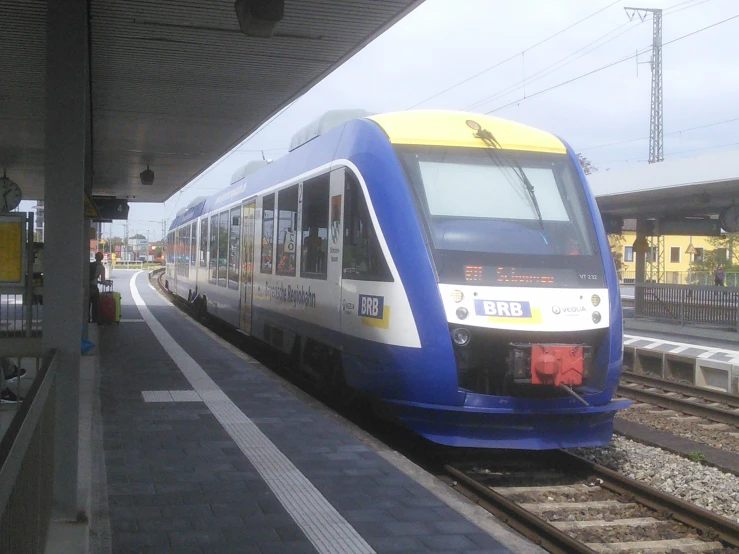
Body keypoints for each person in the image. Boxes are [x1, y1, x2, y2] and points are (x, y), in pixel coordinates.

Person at [89, 252, 106, 323]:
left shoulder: (90, 265)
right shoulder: (101, 267)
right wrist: (106, 283)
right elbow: (102, 281)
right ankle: (94, 320)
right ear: (102, 258)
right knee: (95, 305)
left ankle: (87, 320)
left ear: (95, 257)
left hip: (87, 287)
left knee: (87, 305)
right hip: (94, 287)